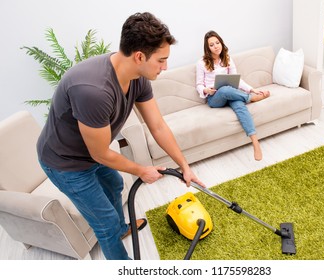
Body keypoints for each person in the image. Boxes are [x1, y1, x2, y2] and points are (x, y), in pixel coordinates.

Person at [37, 12, 203, 260]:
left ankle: (122, 228)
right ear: (139, 56)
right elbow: (100, 153)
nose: (165, 67)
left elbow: (157, 126)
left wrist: (184, 166)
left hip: (92, 153)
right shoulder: (94, 90)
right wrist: (141, 170)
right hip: (66, 163)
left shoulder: (138, 77)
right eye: (161, 60)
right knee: (104, 224)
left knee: (114, 184)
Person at [196, 30, 270, 161]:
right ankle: (250, 99)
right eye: (211, 45)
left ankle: (255, 143)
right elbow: (199, 85)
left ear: (221, 42)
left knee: (240, 107)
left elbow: (237, 80)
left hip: (231, 93)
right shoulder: (201, 63)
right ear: (207, 48)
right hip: (215, 98)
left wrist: (252, 89)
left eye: (217, 43)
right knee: (224, 90)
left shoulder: (228, 58)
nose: (216, 46)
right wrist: (207, 90)